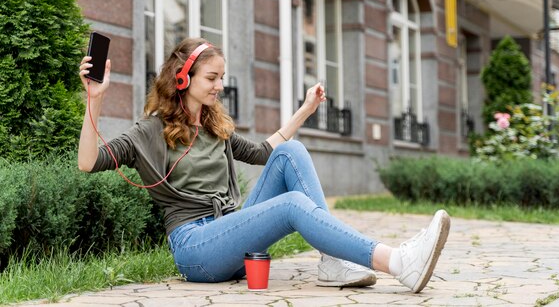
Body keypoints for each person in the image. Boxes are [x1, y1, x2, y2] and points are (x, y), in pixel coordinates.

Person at [78, 37, 450, 293]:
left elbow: (264, 152)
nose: (220, 86)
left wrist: (305, 110)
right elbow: (89, 162)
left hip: (230, 234)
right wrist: (94, 100)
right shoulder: (149, 131)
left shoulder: (211, 126)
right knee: (291, 205)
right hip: (197, 249)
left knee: (293, 152)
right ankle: (398, 262)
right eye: (212, 78)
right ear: (182, 78)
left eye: (222, 77)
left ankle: (333, 262)